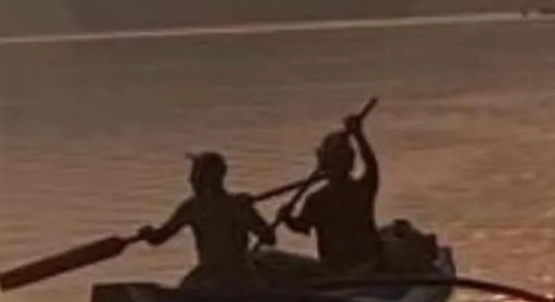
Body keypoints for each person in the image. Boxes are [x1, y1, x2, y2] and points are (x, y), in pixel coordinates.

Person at [139, 151, 275, 291]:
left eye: (195, 174)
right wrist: (148, 233)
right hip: (230, 276)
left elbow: (158, 238)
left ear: (207, 178)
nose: (191, 179)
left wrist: (149, 235)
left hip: (225, 277)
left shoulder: (194, 207)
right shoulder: (235, 205)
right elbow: (269, 237)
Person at [279, 111, 382, 277]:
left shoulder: (362, 189)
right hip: (334, 268)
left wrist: (359, 135)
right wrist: (287, 218)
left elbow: (371, 164)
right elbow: (302, 226)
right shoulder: (318, 199)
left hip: (366, 265)